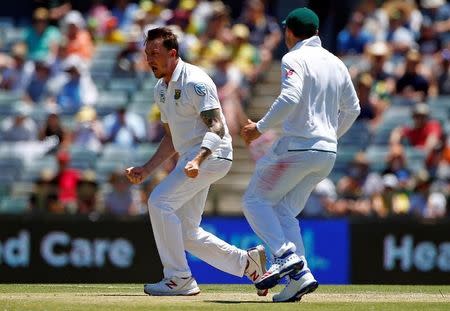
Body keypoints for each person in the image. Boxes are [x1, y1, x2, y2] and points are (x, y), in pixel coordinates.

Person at [125, 27, 266, 297]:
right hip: (191, 159)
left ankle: (178, 278)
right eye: (146, 54)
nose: (149, 59)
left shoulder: (195, 81)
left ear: (173, 54)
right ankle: (247, 263)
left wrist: (198, 160)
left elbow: (217, 128)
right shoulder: (161, 89)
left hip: (212, 155)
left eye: (155, 53)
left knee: (158, 201)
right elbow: (170, 139)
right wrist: (146, 169)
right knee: (187, 233)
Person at [241, 8, 360, 302]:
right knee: (281, 210)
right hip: (326, 154)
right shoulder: (336, 63)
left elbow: (290, 97)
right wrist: (330, 136)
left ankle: (283, 255)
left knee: (254, 200)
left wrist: (259, 127)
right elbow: (353, 109)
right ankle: (300, 276)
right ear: (317, 32)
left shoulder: (293, 57)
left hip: (298, 147)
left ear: (289, 33)